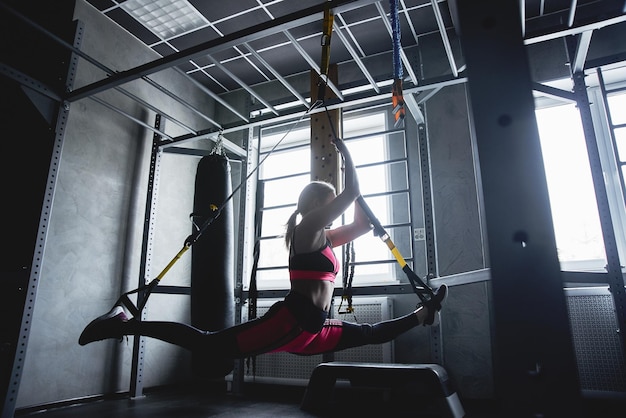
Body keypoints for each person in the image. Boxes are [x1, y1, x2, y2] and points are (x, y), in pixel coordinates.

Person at [79, 138, 447, 362]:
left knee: (369, 333)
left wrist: (358, 201)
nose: (333, 211)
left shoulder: (326, 239)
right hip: (291, 322)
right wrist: (347, 156)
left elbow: (363, 223)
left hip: (313, 329)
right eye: (329, 203)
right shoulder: (306, 230)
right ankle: (127, 324)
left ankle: (423, 314)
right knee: (209, 346)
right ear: (317, 204)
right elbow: (351, 194)